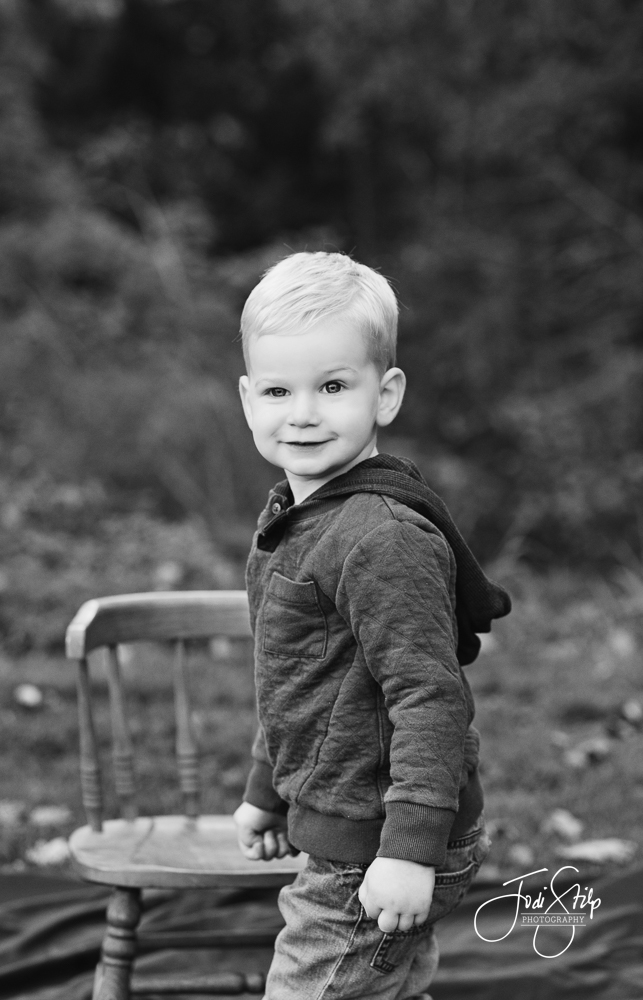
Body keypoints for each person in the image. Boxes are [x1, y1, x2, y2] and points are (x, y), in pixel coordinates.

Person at [233, 251, 511, 999]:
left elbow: (430, 697)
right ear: (247, 398)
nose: (302, 412)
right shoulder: (295, 521)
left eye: (332, 386)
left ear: (384, 395)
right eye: (277, 390)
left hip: (379, 840)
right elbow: (297, 678)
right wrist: (268, 790)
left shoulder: (381, 537)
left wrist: (409, 852)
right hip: (350, 822)